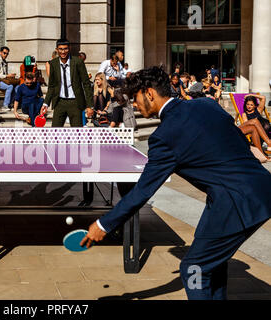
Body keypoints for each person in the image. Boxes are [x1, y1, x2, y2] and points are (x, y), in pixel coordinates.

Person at [81, 66, 271, 300]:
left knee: (193, 268)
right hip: (260, 187)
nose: (135, 105)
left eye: (135, 98)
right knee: (213, 263)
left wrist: (103, 224)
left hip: (234, 202)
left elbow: (142, 191)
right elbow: (235, 139)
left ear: (149, 93)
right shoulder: (207, 105)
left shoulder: (164, 137)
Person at [41, 38, 93, 127]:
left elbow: (86, 84)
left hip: (75, 102)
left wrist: (90, 106)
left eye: (65, 49)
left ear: (69, 49)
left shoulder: (78, 62)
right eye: (60, 49)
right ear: (57, 50)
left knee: (76, 132)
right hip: (59, 102)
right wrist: (46, 103)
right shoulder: (53, 63)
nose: (63, 52)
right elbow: (52, 86)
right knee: (55, 132)